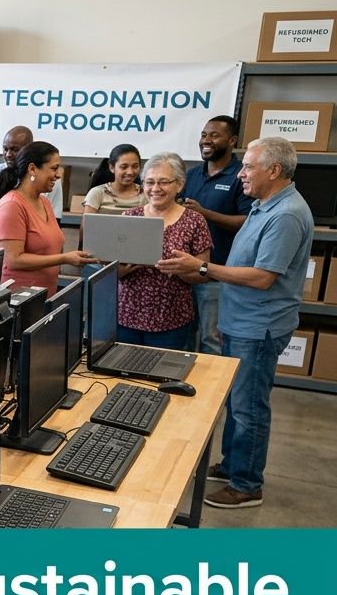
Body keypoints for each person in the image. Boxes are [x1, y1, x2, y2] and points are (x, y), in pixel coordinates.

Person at [158, 137, 314, 509]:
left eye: (249, 167)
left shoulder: (286, 214)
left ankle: (246, 484)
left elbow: (263, 277)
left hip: (258, 327)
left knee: (248, 407)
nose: (241, 174)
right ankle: (233, 465)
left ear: (274, 171)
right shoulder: (265, 205)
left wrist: (201, 267)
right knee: (237, 403)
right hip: (242, 321)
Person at [114, 154, 212, 350]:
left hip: (172, 318)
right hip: (127, 315)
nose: (155, 189)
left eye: (163, 182)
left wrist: (180, 269)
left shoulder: (194, 220)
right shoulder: (129, 217)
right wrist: (128, 267)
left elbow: (204, 273)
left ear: (179, 185)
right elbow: (112, 272)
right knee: (122, 371)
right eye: (149, 182)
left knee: (163, 377)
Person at [183, 115, 253, 355]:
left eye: (214, 135)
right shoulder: (191, 174)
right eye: (204, 135)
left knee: (212, 339)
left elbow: (248, 222)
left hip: (218, 275)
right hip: (185, 273)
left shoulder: (241, 176)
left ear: (232, 140)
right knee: (185, 335)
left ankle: (212, 390)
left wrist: (205, 213)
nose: (206, 140)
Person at [0, 140, 96, 289]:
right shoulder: (11, 206)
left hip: (42, 293)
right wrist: (64, 258)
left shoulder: (44, 202)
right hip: (17, 297)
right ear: (32, 169)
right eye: (54, 168)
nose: (58, 175)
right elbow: (13, 259)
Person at [0, 125, 63, 218]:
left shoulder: (50, 181)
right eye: (5, 149)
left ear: (28, 150)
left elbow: (55, 219)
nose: (8, 154)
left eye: (15, 149)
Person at [82, 143, 145, 214]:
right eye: (124, 167)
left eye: (135, 166)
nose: (130, 172)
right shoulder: (97, 193)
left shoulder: (146, 194)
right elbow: (87, 224)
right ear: (112, 167)